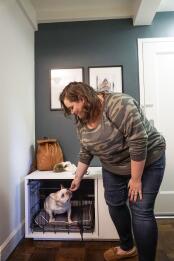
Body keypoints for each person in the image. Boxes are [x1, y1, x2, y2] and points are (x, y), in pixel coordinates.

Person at [59, 82, 166, 261]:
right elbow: (86, 150)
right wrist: (78, 176)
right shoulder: (81, 120)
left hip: (146, 162)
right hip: (113, 166)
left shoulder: (119, 105)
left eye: (72, 107)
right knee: (114, 204)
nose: (72, 112)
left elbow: (139, 142)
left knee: (140, 210)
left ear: (82, 98)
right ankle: (127, 247)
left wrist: (136, 178)